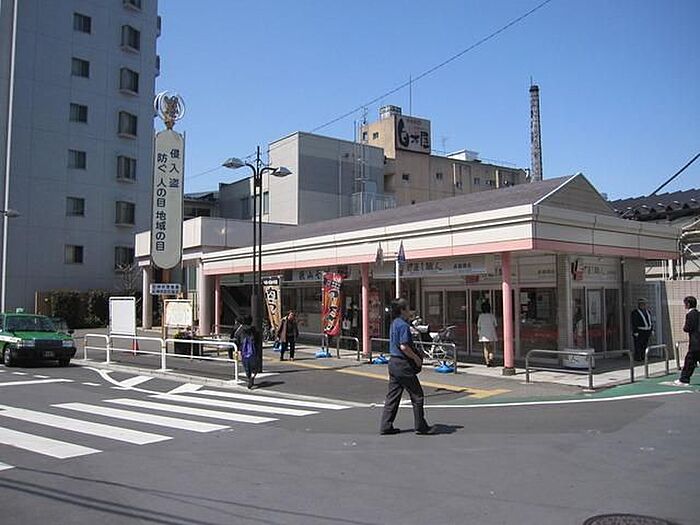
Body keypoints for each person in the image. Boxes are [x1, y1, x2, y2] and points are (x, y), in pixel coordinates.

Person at [380, 298, 435, 436]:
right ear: (402, 310)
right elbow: (404, 346)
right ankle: (420, 426)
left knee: (393, 396)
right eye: (408, 308)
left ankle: (386, 425)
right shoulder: (403, 326)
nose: (409, 311)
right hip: (402, 364)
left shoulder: (394, 323)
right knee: (417, 395)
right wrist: (416, 358)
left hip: (393, 362)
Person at [674, 296, 699, 386]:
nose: (684, 305)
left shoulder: (690, 314)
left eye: (685, 304)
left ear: (688, 304)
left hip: (695, 342)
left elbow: (687, 328)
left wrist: (685, 327)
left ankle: (684, 379)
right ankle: (684, 378)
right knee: (691, 361)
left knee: (689, 361)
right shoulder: (698, 313)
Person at [233, 315, 257, 389]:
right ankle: (252, 377)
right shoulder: (253, 329)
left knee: (246, 366)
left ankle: (249, 378)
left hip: (243, 350)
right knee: (254, 367)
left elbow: (236, 338)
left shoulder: (240, 329)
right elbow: (257, 339)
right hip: (253, 350)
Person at [477, 302, 498, 367]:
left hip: (483, 333)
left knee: (485, 347)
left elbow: (478, 325)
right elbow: (495, 324)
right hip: (491, 333)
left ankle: (487, 361)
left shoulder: (481, 316)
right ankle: (491, 357)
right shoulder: (492, 316)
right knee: (491, 347)